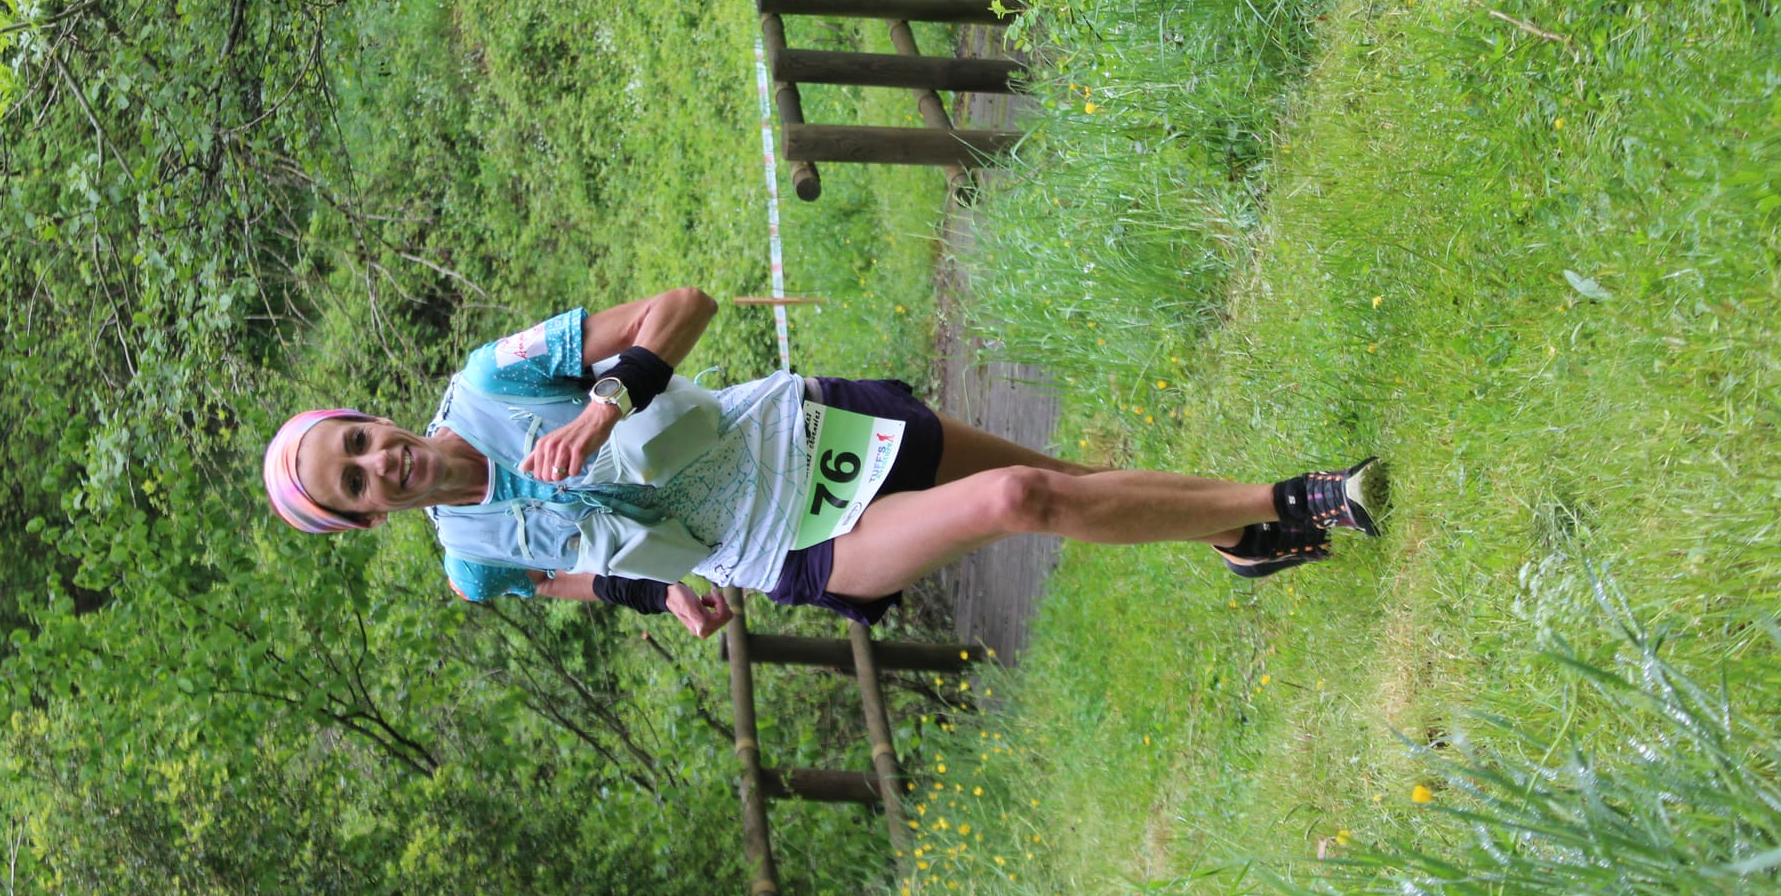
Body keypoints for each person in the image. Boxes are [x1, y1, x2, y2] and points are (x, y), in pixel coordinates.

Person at [264, 288, 1387, 639]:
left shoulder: (491, 379)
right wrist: (665, 590)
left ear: (370, 416)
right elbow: (580, 577)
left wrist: (608, 404)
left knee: (1060, 478)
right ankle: (1307, 500)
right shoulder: (470, 564)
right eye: (354, 483)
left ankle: (1239, 535)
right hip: (788, 545)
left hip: (803, 430)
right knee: (1022, 499)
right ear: (364, 519)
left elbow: (682, 307)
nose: (380, 462)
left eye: (357, 440)